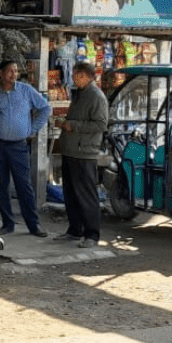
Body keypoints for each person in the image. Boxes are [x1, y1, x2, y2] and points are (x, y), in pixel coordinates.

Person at [0, 60, 52, 237]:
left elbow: (46, 108)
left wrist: (32, 129)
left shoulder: (26, 90)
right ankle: (7, 224)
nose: (14, 74)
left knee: (24, 186)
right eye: (10, 71)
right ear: (0, 73)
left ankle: (33, 225)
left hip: (19, 146)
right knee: (1, 186)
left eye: (16, 71)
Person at [55, 62, 108, 249]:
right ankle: (74, 230)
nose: (74, 79)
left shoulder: (96, 97)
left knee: (86, 195)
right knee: (70, 193)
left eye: (77, 76)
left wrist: (73, 125)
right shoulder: (79, 95)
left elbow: (101, 125)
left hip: (85, 153)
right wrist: (65, 122)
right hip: (70, 151)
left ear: (87, 76)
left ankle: (92, 234)